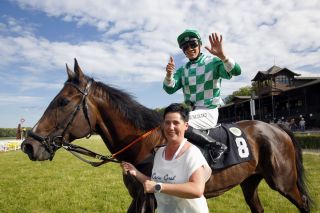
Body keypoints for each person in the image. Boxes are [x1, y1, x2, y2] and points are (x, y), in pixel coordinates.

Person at [163, 29, 242, 162]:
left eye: (193, 44)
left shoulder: (213, 62)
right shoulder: (183, 70)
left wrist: (223, 56)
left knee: (178, 124)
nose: (189, 49)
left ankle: (215, 146)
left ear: (199, 45)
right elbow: (169, 89)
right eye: (185, 47)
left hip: (208, 110)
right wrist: (169, 75)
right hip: (190, 112)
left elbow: (237, 71)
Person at [121, 103, 212, 213]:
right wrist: (135, 172)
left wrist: (158, 187)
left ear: (186, 126)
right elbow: (156, 182)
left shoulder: (192, 153)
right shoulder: (159, 152)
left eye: (176, 123)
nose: (171, 127)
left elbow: (197, 190)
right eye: (167, 123)